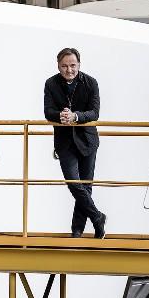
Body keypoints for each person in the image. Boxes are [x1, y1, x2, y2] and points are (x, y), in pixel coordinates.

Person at [43, 48, 106, 239]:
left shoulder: (91, 82)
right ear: (58, 66)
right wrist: (60, 115)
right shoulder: (51, 83)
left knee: (85, 186)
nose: (69, 70)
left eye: (72, 65)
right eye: (64, 66)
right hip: (64, 141)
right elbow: (48, 111)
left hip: (87, 140)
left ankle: (77, 230)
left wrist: (76, 116)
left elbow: (94, 113)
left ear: (79, 64)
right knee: (73, 182)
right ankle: (97, 217)